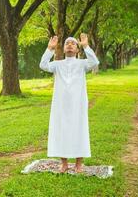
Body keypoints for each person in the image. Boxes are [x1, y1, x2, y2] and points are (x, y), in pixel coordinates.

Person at [39, 33, 100, 173]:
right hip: (60, 105)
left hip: (78, 104)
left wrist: (86, 46)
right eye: (67, 43)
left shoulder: (83, 64)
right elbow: (43, 65)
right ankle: (64, 163)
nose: (70, 45)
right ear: (64, 49)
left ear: (77, 50)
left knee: (79, 130)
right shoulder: (57, 65)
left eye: (73, 43)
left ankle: (79, 164)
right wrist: (50, 49)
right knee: (62, 131)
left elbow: (95, 62)